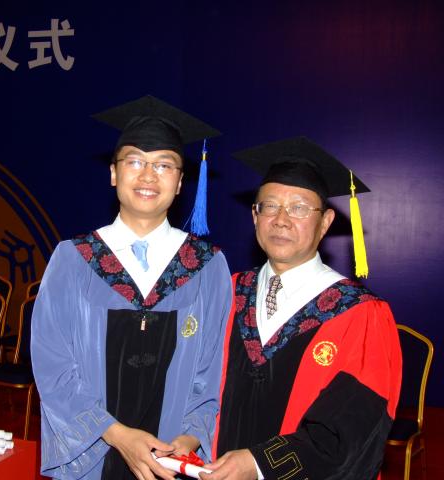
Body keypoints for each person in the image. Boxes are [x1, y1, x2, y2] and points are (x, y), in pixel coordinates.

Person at [31, 95, 232, 480]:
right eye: (135, 161)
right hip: (94, 454)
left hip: (172, 459)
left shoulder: (206, 266)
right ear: (113, 173)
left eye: (164, 165)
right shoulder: (74, 259)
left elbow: (215, 368)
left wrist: (190, 437)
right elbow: (52, 365)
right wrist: (116, 434)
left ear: (180, 182)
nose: (148, 176)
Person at [206, 137, 402, 480]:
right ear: (254, 216)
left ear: (325, 222)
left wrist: (260, 464)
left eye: (298, 208)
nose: (281, 220)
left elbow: (353, 431)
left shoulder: (359, 313)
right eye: (269, 206)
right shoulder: (226, 292)